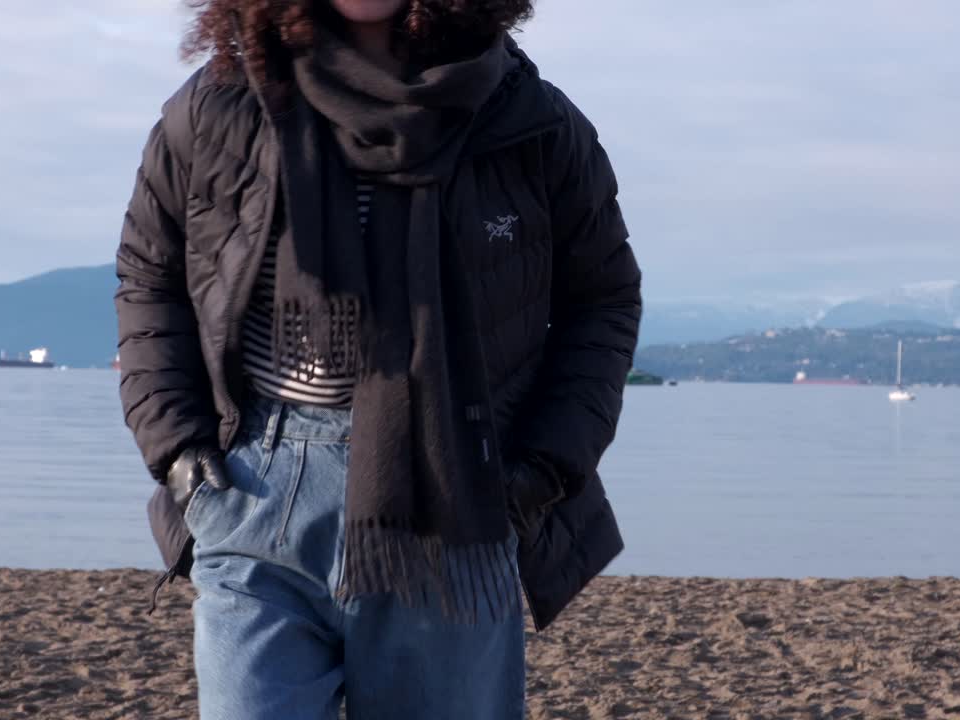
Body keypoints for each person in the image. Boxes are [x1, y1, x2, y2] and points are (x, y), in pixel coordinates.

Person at [114, 0, 641, 717]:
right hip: (256, 487)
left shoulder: (530, 119)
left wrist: (543, 469)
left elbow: (603, 300)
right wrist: (175, 447)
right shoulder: (218, 105)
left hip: (454, 498)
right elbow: (150, 276)